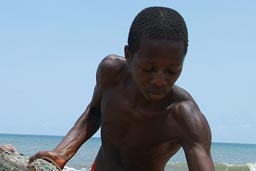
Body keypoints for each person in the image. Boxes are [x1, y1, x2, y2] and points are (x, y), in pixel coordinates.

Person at [28, 6, 215, 171]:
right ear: (128, 55)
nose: (159, 80)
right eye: (148, 69)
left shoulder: (185, 118)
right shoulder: (111, 73)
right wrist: (60, 154)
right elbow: (94, 113)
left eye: (172, 70)